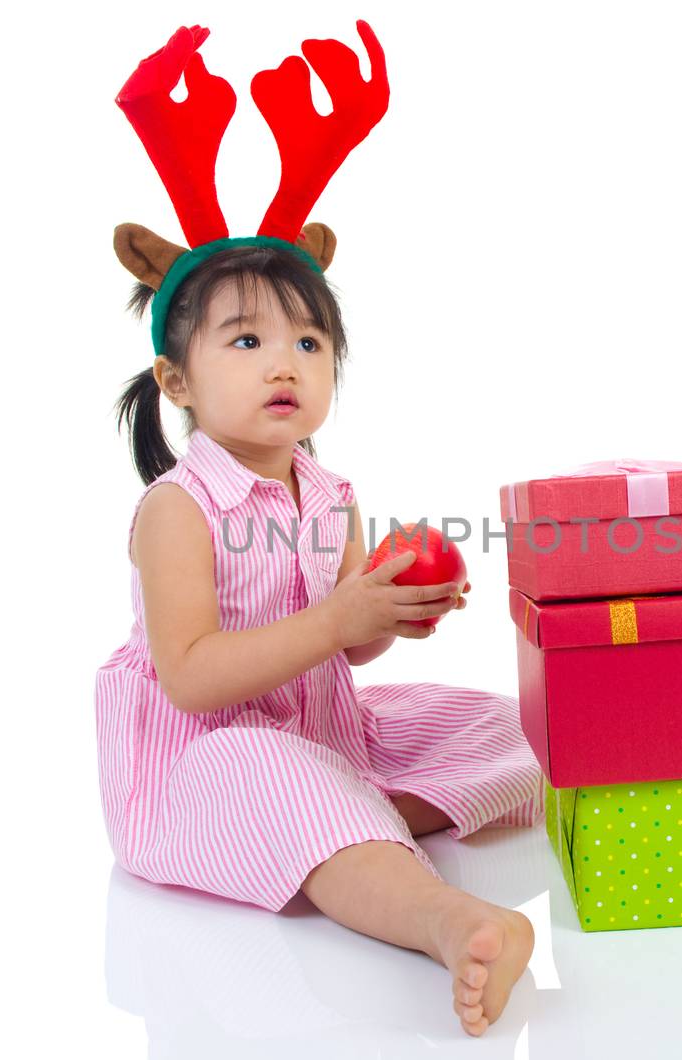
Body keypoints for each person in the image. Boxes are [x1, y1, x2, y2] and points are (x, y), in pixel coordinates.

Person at [95, 21, 543, 1038]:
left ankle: (354, 818)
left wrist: (390, 611)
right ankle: (446, 918)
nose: (284, 361)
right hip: (206, 759)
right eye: (245, 339)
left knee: (515, 726)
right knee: (271, 773)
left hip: (326, 730)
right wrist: (343, 614)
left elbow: (353, 639)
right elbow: (196, 676)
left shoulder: (328, 493)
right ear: (178, 382)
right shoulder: (177, 509)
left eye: (307, 339)